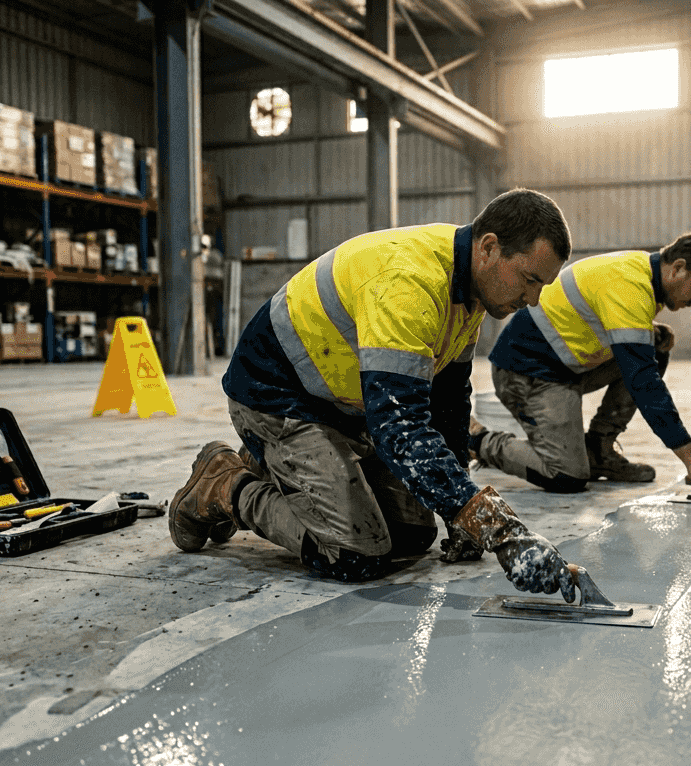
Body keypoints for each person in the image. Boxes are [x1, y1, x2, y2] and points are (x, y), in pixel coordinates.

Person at [168, 188, 578, 602]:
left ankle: (272, 462)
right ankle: (226, 483)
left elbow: (448, 407)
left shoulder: (470, 292)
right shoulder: (409, 282)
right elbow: (399, 429)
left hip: (341, 405)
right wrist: (500, 531)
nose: (533, 299)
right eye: (530, 280)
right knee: (354, 555)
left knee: (412, 534)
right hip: (276, 395)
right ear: (489, 248)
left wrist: (461, 516)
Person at [470, 227, 691, 495]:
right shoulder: (629, 285)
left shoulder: (641, 272)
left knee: (654, 346)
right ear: (678, 268)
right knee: (566, 475)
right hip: (525, 372)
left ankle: (599, 450)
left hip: (561, 366)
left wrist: (649, 332)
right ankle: (477, 439)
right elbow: (643, 382)